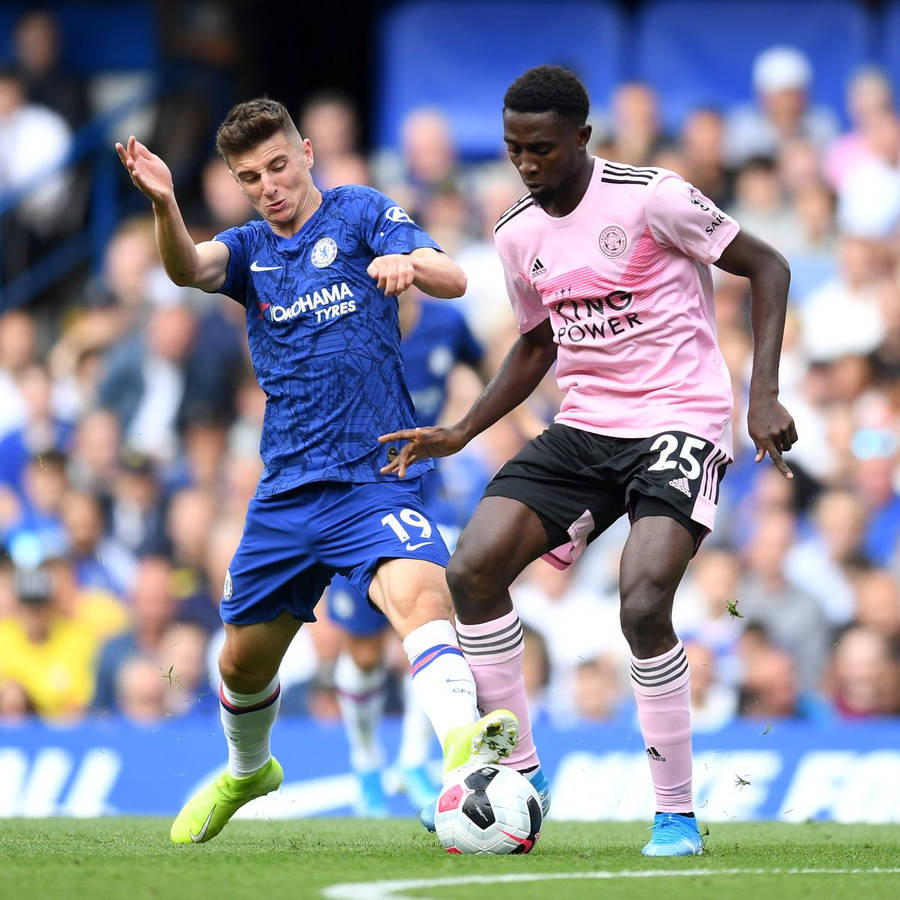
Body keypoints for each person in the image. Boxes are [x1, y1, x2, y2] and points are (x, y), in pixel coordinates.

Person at [380, 65, 797, 857]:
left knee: (641, 604)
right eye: (512, 149)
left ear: (582, 139)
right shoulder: (515, 231)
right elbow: (537, 342)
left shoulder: (653, 196)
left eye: (540, 148)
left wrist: (762, 395)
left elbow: (768, 266)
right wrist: (463, 430)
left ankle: (675, 813)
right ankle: (524, 778)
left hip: (680, 419)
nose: (526, 164)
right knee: (471, 570)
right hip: (588, 425)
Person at [115, 98, 518, 844]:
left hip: (374, 475)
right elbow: (185, 268)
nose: (269, 184)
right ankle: (247, 772)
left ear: (305, 151)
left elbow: (454, 276)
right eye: (250, 176)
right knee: (240, 665)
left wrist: (409, 262)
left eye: (277, 165)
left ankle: (463, 750)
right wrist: (166, 202)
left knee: (419, 590)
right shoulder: (245, 251)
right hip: (287, 491)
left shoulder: (361, 211)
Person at [327, 286, 484, 817]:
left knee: (435, 619)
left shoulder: (447, 324)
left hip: (426, 494)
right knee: (366, 653)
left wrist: (518, 422)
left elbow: (486, 372)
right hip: (356, 499)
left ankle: (417, 761)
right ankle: (366, 762)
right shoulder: (343, 326)